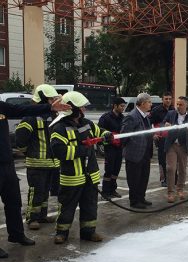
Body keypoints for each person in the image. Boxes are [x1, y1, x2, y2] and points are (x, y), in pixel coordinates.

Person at [0, 96, 70, 259]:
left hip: (6, 163)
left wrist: (49, 108)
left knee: (14, 201)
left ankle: (16, 234)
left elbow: (22, 110)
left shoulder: (1, 107)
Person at [50, 91, 112, 244]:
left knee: (90, 205)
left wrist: (107, 135)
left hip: (90, 175)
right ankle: (62, 233)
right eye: (82, 107)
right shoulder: (59, 128)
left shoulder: (87, 124)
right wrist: (83, 150)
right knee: (67, 207)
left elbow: (99, 133)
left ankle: (88, 232)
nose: (84, 110)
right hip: (71, 177)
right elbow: (60, 151)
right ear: (72, 108)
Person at [15, 84, 61, 230]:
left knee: (45, 192)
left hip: (51, 163)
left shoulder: (53, 115)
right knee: (36, 191)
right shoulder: (31, 116)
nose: (54, 101)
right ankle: (32, 218)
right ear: (43, 99)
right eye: (52, 99)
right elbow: (20, 138)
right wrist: (27, 151)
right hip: (36, 163)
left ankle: (42, 215)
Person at [121, 93, 153, 209]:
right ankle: (134, 201)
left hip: (145, 153)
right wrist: (129, 148)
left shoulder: (145, 116)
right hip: (134, 154)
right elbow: (124, 135)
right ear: (143, 103)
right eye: (149, 102)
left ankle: (141, 198)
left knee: (144, 177)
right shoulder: (132, 116)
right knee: (134, 178)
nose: (151, 104)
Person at [163, 96, 188, 203]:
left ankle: (180, 189)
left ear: (186, 105)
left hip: (183, 146)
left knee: (182, 169)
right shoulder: (171, 114)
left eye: (181, 104)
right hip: (171, 145)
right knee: (170, 168)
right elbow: (163, 123)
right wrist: (166, 124)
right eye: (177, 104)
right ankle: (170, 193)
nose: (178, 106)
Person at [98, 97, 126, 199]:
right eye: (121, 106)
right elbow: (99, 130)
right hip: (110, 148)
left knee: (116, 170)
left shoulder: (122, 118)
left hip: (119, 147)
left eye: (124, 106)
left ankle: (113, 189)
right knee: (109, 169)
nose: (123, 108)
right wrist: (110, 137)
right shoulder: (106, 118)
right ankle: (105, 192)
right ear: (115, 106)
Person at [148, 92, 174, 187]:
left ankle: (172, 177)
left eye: (169, 99)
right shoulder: (156, 110)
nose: (168, 101)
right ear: (162, 100)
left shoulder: (173, 109)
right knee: (162, 160)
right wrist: (153, 134)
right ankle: (163, 179)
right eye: (166, 99)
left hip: (171, 139)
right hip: (161, 139)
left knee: (172, 159)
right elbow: (148, 123)